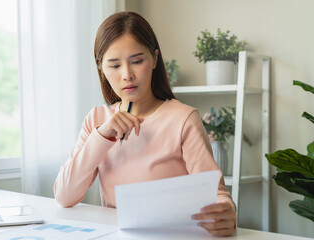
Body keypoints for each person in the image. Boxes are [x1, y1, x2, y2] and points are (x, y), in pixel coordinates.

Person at [54, 11, 236, 236]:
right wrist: (102, 135)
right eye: (114, 65)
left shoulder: (183, 118)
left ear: (154, 59)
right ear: (101, 67)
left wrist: (226, 209)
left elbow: (216, 193)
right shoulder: (97, 120)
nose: (127, 75)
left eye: (137, 61)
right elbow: (64, 195)